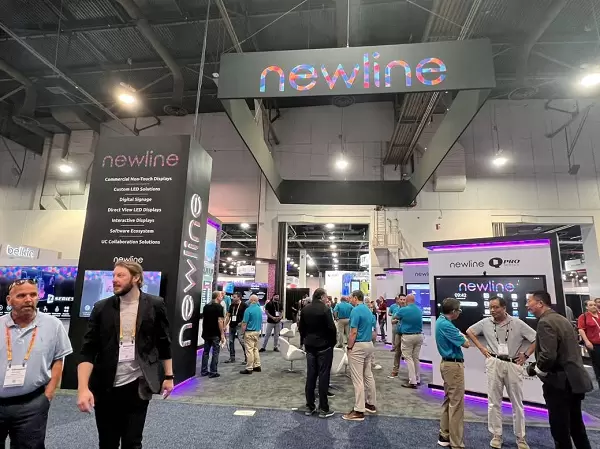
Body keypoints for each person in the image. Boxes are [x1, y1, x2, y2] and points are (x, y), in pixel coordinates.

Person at [77, 261, 174, 449]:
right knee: (107, 442)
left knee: (133, 442)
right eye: (113, 276)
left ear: (136, 278)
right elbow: (88, 350)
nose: (114, 280)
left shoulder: (155, 304)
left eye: (120, 275)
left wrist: (169, 376)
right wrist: (82, 388)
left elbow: (164, 342)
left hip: (138, 384)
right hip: (106, 386)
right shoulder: (101, 308)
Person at [0, 278, 72, 448]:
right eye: (21, 295)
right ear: (9, 300)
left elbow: (58, 359)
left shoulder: (53, 325)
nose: (28, 299)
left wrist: (49, 394)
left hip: (32, 404)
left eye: (33, 294)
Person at [466, 296, 536, 449]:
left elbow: (536, 338)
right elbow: (469, 331)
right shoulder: (486, 322)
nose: (493, 310)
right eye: (490, 307)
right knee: (493, 401)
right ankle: (496, 435)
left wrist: (526, 355)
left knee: (517, 403)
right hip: (494, 362)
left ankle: (520, 437)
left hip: (512, 364)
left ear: (504, 308)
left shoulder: (517, 323)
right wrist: (481, 347)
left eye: (496, 307)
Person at [527, 291, 592, 449]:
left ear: (540, 303)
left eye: (530, 302)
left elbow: (548, 356)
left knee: (560, 430)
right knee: (577, 427)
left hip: (560, 383)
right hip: (574, 381)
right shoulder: (561, 319)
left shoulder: (545, 322)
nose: (527, 305)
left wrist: (536, 368)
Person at [436, 297, 470, 449]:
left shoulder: (441, 321)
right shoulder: (446, 325)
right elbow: (466, 343)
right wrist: (462, 335)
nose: (460, 313)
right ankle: (457, 444)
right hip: (453, 366)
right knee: (456, 405)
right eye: (459, 310)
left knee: (449, 400)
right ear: (454, 311)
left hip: (448, 364)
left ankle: (445, 435)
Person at [299, 288, 337, 418]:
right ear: (321, 297)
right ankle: (323, 408)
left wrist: (305, 340)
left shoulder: (305, 309)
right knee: (323, 376)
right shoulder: (325, 309)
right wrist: (332, 343)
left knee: (311, 376)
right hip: (324, 347)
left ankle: (309, 406)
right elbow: (332, 328)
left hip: (310, 347)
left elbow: (301, 328)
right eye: (326, 296)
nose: (327, 299)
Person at [342, 290, 377, 422]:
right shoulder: (368, 310)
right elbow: (373, 328)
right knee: (368, 375)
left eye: (351, 297)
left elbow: (353, 332)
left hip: (359, 346)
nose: (349, 299)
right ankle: (370, 404)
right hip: (369, 344)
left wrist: (349, 347)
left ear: (356, 298)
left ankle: (359, 410)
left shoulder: (356, 311)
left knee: (357, 379)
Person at [394, 294, 424, 388]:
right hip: (419, 336)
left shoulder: (403, 310)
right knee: (416, 358)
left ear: (406, 301)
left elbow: (395, 317)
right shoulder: (419, 310)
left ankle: (412, 381)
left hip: (408, 336)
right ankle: (417, 379)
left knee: (408, 358)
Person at [200, 291, 226, 378]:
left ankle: (204, 371)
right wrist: (222, 334)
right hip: (215, 333)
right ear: (217, 297)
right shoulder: (219, 307)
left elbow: (204, 320)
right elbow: (220, 321)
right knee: (215, 352)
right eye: (221, 296)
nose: (222, 297)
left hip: (206, 333)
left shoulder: (206, 307)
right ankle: (213, 371)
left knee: (206, 352)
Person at [577, 299, 600, 387]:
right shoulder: (583, 317)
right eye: (591, 305)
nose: (593, 306)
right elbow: (581, 330)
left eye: (594, 304)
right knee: (598, 363)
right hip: (594, 344)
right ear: (586, 307)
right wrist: (587, 341)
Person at [240, 295, 263, 375]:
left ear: (251, 300)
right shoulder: (259, 309)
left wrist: (242, 333)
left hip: (249, 332)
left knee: (249, 350)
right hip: (257, 331)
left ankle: (249, 368)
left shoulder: (248, 310)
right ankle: (257, 365)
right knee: (255, 349)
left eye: (249, 299)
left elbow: (244, 323)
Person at [224, 292, 247, 364]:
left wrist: (242, 322)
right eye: (233, 297)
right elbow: (228, 316)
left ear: (239, 297)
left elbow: (247, 316)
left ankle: (247, 357)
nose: (232, 298)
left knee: (241, 341)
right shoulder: (232, 305)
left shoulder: (244, 305)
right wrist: (225, 325)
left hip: (240, 326)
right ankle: (232, 357)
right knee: (231, 341)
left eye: (234, 297)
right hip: (232, 325)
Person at [388, 296, 406, 378]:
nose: (402, 301)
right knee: (397, 352)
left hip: (406, 334)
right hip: (398, 333)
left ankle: (412, 375)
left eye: (404, 299)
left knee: (409, 355)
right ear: (398, 300)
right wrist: (397, 320)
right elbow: (392, 321)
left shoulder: (407, 309)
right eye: (401, 299)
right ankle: (395, 370)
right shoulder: (396, 309)